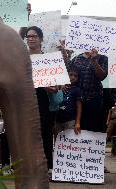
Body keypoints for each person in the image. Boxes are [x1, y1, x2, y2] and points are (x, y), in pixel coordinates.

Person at [25, 26, 55, 172]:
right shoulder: (21, 57)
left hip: (43, 99)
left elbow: (57, 83)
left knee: (45, 132)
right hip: (24, 99)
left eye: (34, 36)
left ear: (41, 39)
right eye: (28, 36)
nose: (30, 38)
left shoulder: (48, 59)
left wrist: (51, 88)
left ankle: (48, 165)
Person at [54, 65, 82, 139]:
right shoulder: (59, 87)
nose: (73, 77)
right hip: (57, 120)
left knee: (68, 142)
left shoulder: (77, 90)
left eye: (75, 76)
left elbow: (79, 107)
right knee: (57, 141)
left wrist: (77, 123)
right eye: (70, 75)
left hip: (70, 121)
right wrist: (60, 86)